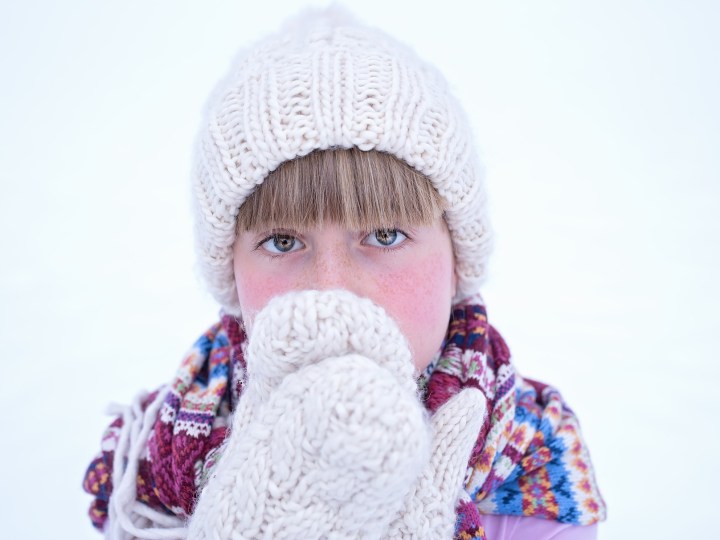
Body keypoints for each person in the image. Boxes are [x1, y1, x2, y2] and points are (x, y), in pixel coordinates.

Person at [83, 6, 606, 539]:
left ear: (457, 262)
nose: (333, 289)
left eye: (385, 235)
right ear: (232, 277)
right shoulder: (149, 471)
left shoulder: (535, 475)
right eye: (283, 242)